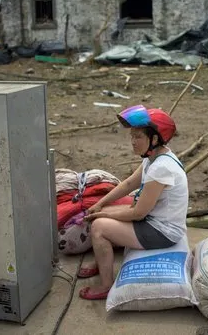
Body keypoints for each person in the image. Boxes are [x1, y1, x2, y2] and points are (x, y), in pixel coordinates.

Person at [77, 104, 189, 300]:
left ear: (154, 139)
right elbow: (129, 183)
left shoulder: (162, 168)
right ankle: (102, 258)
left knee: (99, 227)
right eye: (132, 136)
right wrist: (101, 204)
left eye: (138, 137)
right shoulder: (153, 157)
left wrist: (102, 214)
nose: (132, 141)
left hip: (163, 231)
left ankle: (105, 286)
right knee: (104, 214)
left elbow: (138, 213)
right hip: (154, 220)